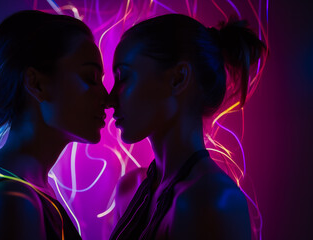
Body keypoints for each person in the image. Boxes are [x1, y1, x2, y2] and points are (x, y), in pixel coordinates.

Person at [108, 14, 266, 239]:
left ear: (179, 78)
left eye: (124, 78)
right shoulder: (128, 190)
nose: (109, 99)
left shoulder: (218, 202)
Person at [0, 10, 107, 240]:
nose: (106, 98)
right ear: (36, 83)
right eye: (91, 77)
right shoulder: (10, 199)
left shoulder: (30, 188)